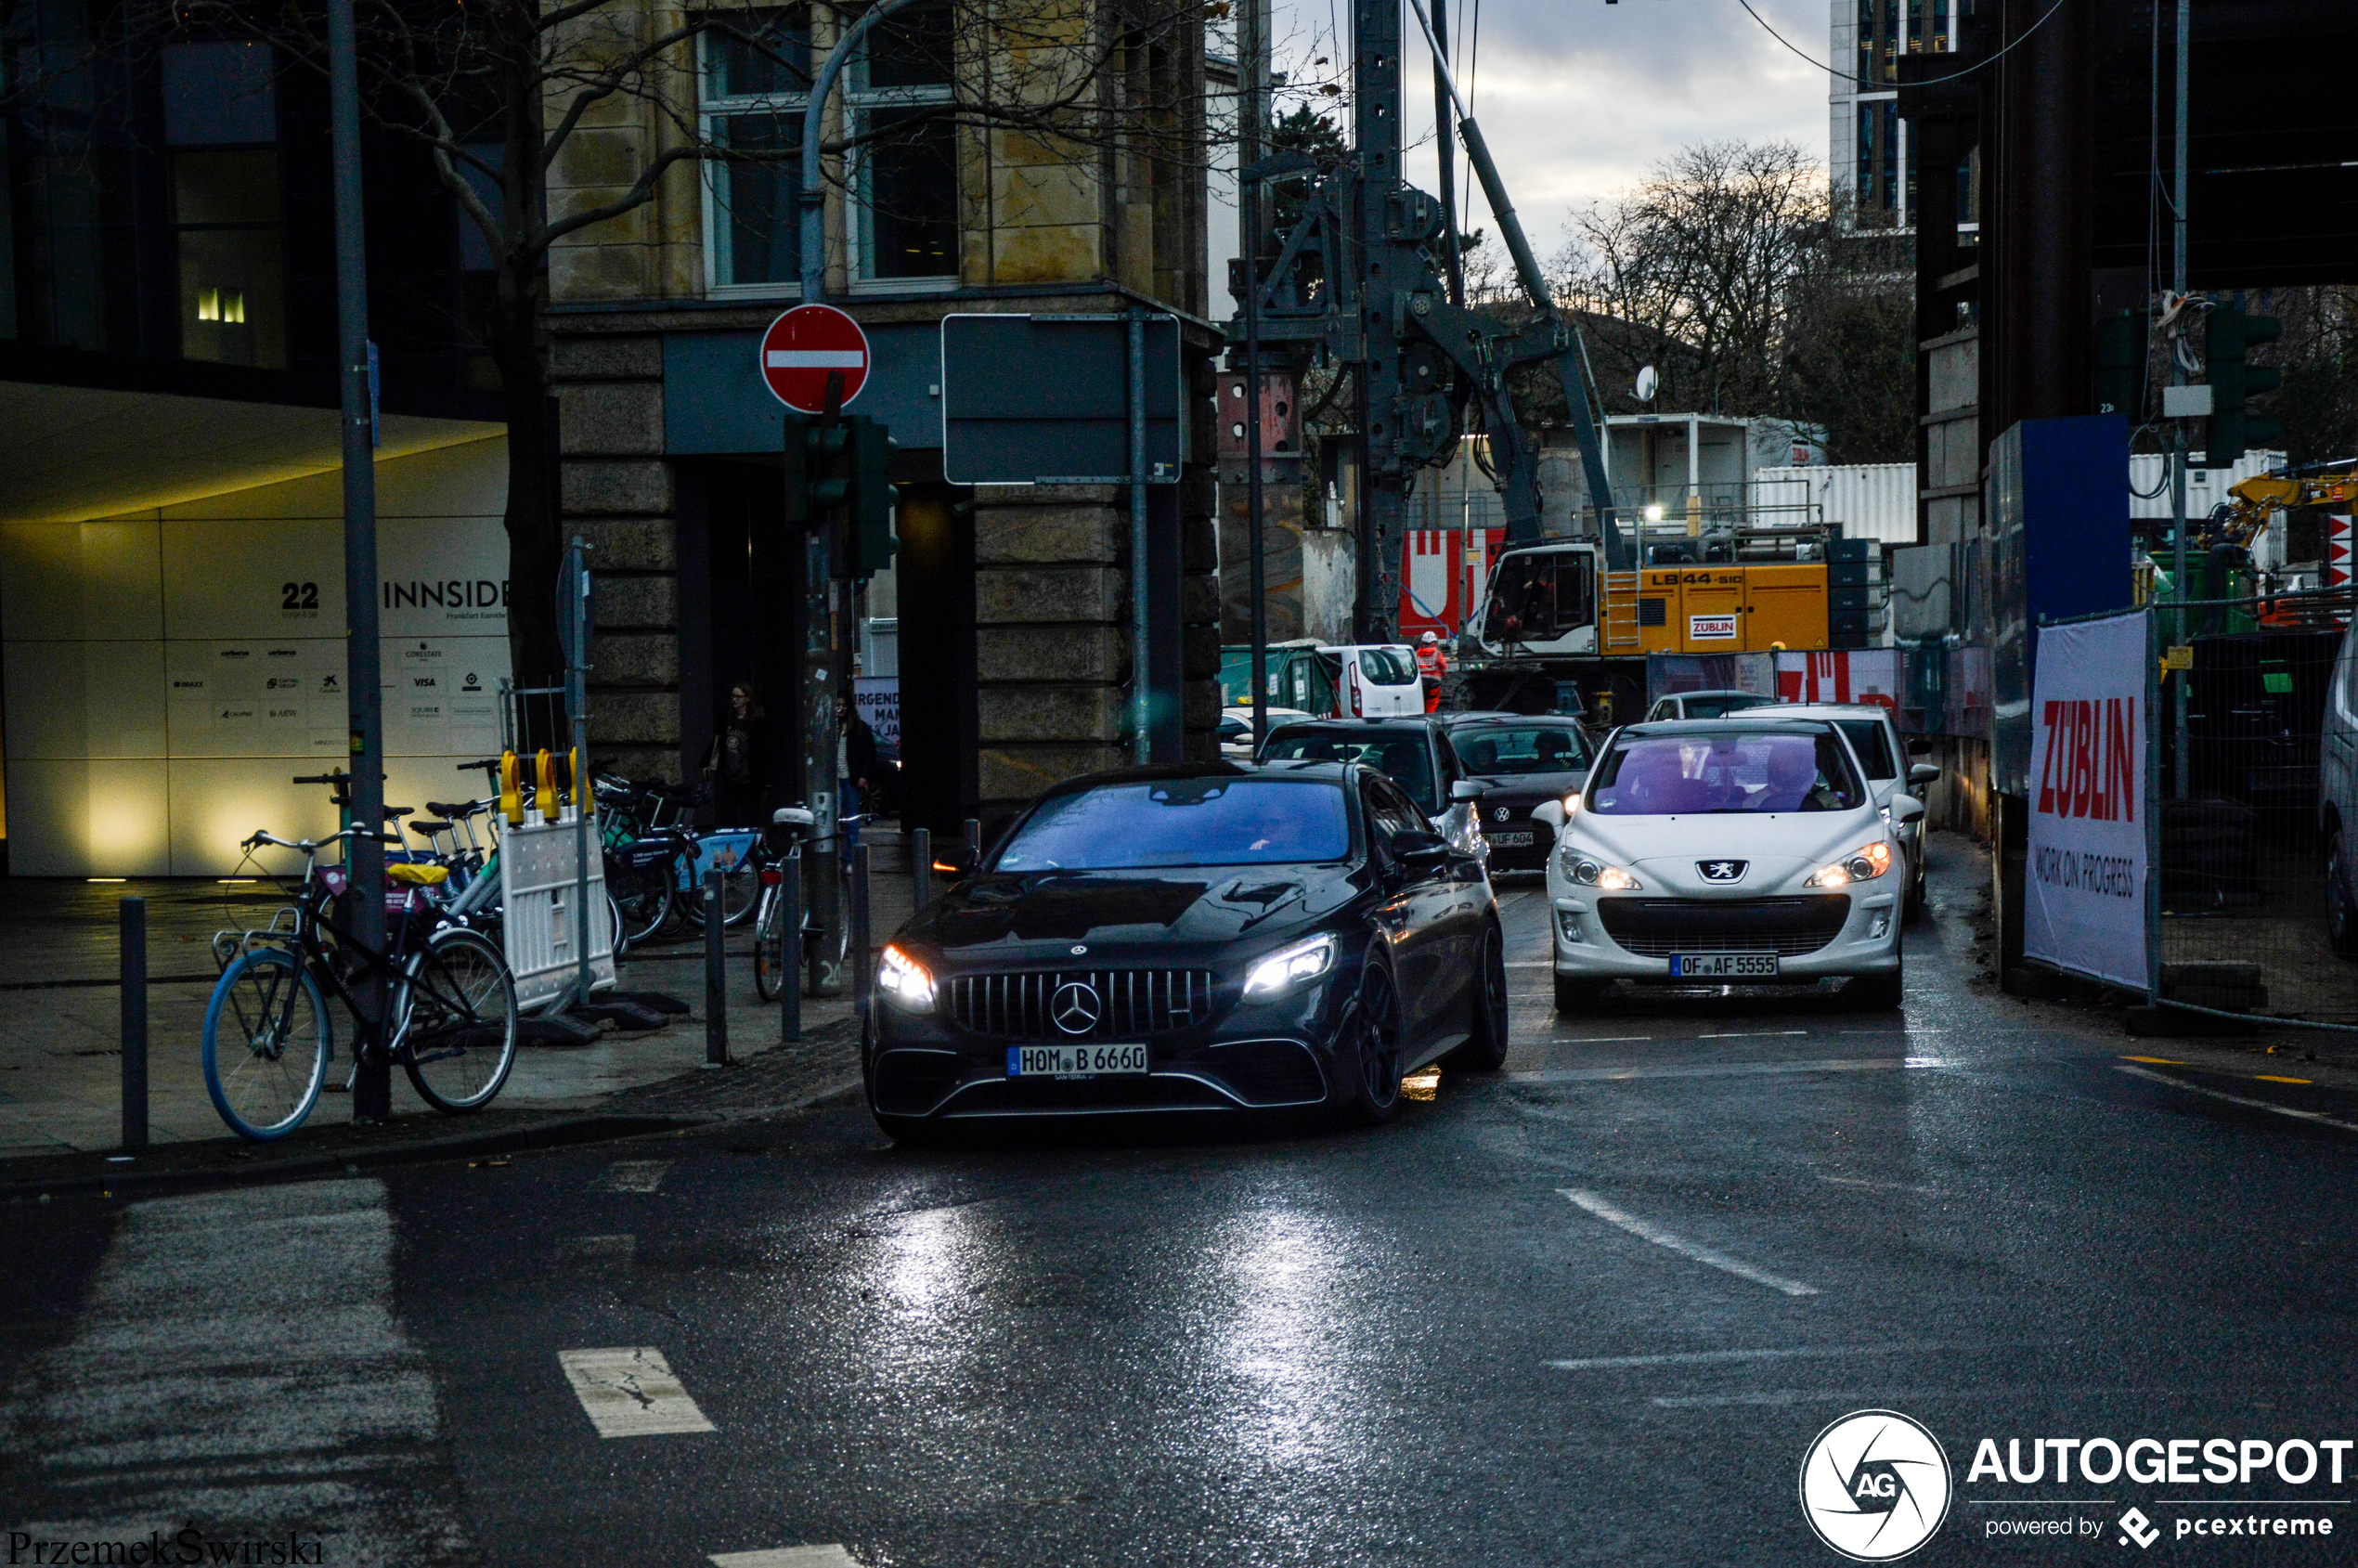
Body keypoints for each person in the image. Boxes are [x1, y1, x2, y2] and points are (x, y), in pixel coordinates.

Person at [706, 681, 766, 825]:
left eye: (738, 697)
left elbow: (761, 751)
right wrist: (707, 762)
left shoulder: (756, 720)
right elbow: (717, 741)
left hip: (747, 776)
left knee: (748, 816)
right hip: (728, 774)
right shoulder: (727, 717)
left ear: (748, 698)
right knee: (728, 815)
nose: (734, 700)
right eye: (733, 696)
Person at [838, 696, 881, 838]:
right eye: (838, 705)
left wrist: (863, 776)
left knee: (851, 819)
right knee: (836, 820)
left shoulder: (859, 727)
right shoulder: (830, 727)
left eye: (844, 705)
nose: (841, 708)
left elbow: (870, 753)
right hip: (835, 780)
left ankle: (850, 857)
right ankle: (841, 855)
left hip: (851, 779)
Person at [1416, 629, 1448, 713]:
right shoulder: (1437, 653)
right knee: (1432, 702)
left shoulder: (1417, 653)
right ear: (1434, 642)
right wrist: (1443, 673)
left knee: (1421, 701)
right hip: (1434, 682)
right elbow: (1444, 667)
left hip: (1420, 681)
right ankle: (1429, 718)